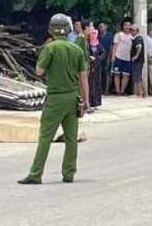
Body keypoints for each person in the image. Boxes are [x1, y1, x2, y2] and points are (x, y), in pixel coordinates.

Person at [18, 14, 89, 185]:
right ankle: (69, 173)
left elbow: (39, 72)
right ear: (68, 29)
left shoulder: (50, 48)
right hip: (73, 98)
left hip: (55, 99)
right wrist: (86, 100)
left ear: (51, 30)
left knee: (45, 137)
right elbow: (83, 77)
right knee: (71, 138)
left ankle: (36, 173)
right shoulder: (76, 50)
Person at [111, 18, 133, 95]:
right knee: (117, 74)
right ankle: (117, 91)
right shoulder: (118, 35)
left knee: (126, 75)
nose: (127, 27)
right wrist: (113, 56)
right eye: (125, 25)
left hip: (127, 58)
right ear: (123, 26)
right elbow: (115, 45)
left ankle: (122, 90)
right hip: (118, 56)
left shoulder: (132, 36)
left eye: (129, 25)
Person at [87, 25, 104, 111]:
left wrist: (97, 58)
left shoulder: (99, 44)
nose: (93, 35)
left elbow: (103, 54)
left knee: (97, 84)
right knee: (90, 84)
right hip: (89, 66)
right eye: (92, 33)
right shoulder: (87, 43)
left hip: (97, 67)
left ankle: (96, 102)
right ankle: (89, 102)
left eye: (95, 33)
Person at [130, 24, 145, 98]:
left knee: (137, 77)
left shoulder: (138, 38)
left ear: (137, 31)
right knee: (137, 77)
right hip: (138, 60)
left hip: (138, 60)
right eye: (131, 30)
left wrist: (136, 56)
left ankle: (139, 93)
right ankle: (141, 93)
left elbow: (139, 47)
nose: (132, 31)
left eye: (133, 30)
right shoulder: (135, 39)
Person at [98, 22, 114, 94]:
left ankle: (107, 89)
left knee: (107, 73)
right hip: (99, 56)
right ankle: (100, 89)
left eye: (102, 26)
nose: (101, 28)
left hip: (107, 55)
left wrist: (109, 57)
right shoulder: (97, 35)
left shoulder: (110, 35)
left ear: (106, 27)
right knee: (99, 73)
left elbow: (111, 47)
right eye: (100, 27)